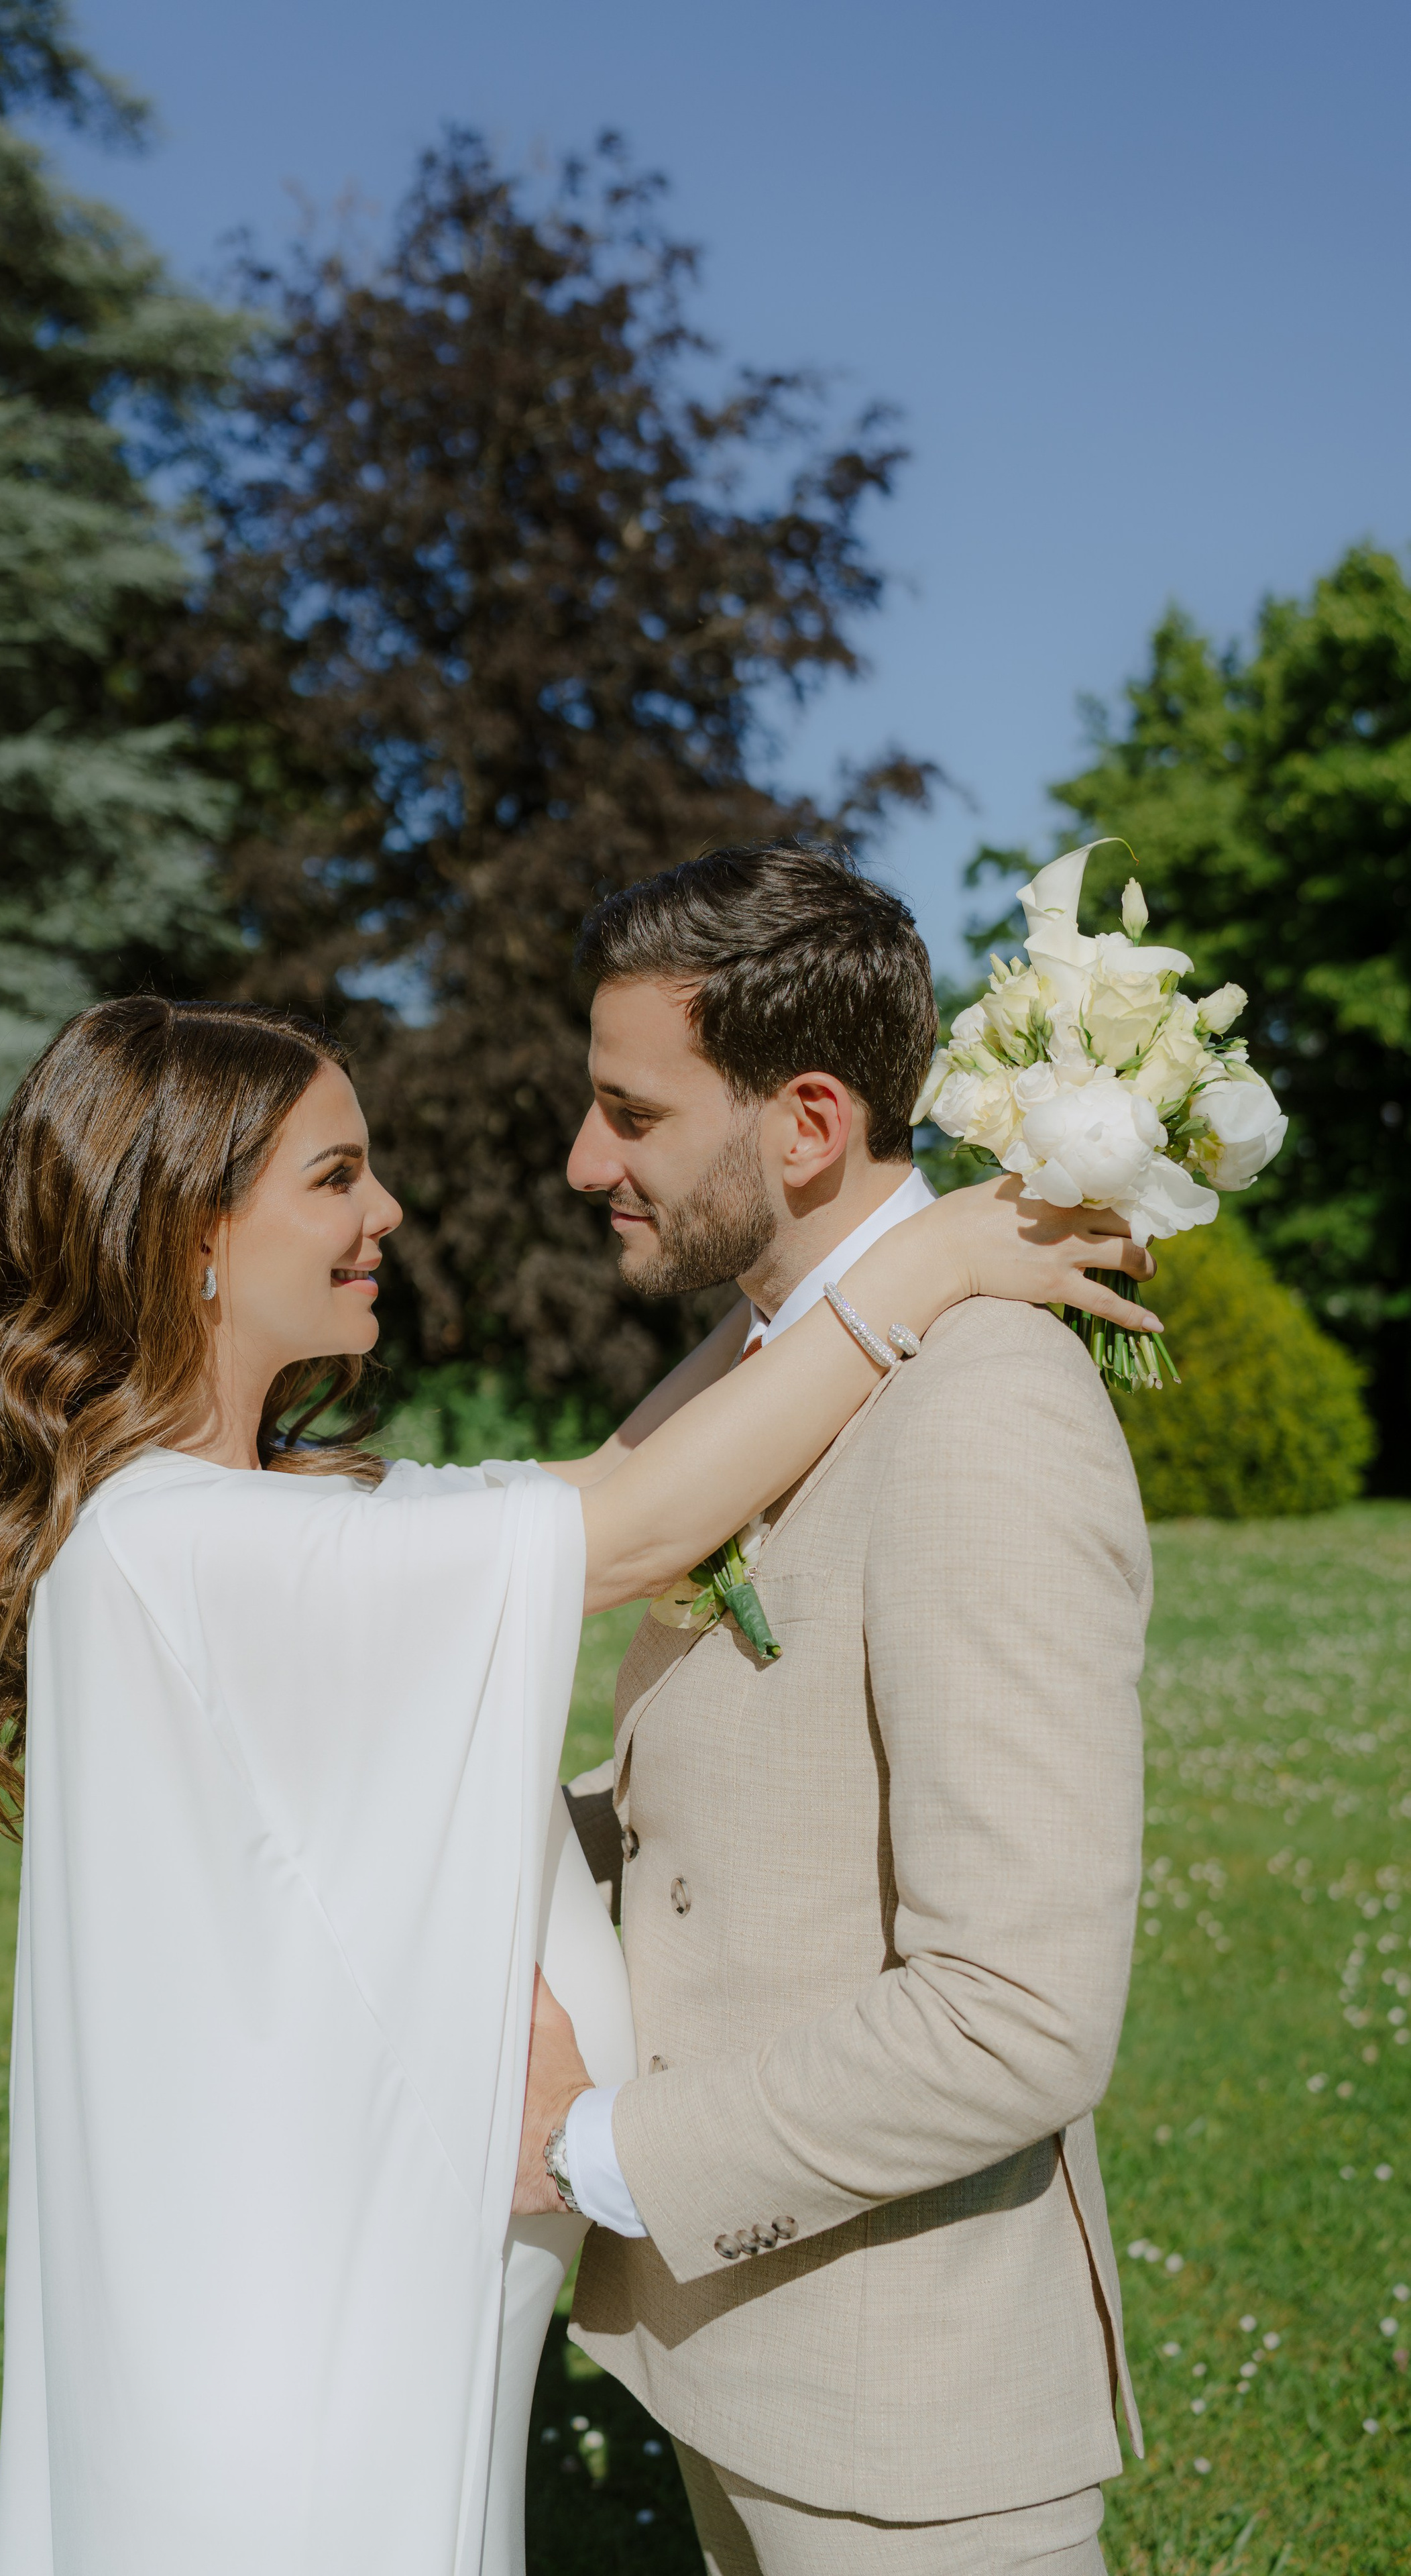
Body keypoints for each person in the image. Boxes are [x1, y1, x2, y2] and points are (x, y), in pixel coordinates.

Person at [0, 994, 1153, 2576]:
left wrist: (855, 1236)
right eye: (335, 1176)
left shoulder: (256, 1513)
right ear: (194, 1242)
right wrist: (926, 1262)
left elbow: (616, 1474)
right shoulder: (195, 1549)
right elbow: (640, 1533)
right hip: (298, 2359)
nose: (385, 1212)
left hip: (372, 2310)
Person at [512, 841, 1151, 2576]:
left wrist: (590, 2150)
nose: (586, 1164)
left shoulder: (983, 1411)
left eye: (630, 1115)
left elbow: (1018, 2012)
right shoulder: (761, 1367)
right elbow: (722, 1780)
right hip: (748, 2372)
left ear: (803, 1125)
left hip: (914, 2435)